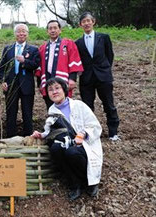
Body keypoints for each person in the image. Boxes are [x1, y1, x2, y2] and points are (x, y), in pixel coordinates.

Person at [32, 77, 103, 201]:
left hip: (85, 144)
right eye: (50, 90)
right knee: (55, 149)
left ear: (64, 90)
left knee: (72, 152)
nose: (54, 92)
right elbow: (50, 131)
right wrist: (41, 135)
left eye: (57, 88)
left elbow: (95, 125)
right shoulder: (52, 111)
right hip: (67, 142)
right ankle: (74, 183)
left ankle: (89, 182)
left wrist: (83, 134)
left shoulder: (79, 105)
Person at [75, 12, 120, 141]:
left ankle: (113, 132)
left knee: (108, 104)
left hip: (103, 77)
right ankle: (90, 133)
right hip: (86, 78)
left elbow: (109, 55)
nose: (86, 23)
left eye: (88, 20)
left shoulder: (104, 37)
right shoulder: (78, 43)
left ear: (93, 22)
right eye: (84, 21)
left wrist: (104, 69)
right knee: (87, 106)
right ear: (80, 25)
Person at [0, 23, 40, 138]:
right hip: (11, 85)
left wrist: (24, 62)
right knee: (11, 112)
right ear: (15, 33)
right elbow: (2, 67)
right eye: (18, 31)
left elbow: (36, 65)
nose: (21, 33)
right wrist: (3, 81)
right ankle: (10, 137)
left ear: (27, 34)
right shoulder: (8, 49)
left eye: (23, 31)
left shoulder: (33, 50)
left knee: (27, 112)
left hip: (26, 85)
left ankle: (28, 137)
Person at [35, 20, 83, 109]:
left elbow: (74, 61)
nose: (53, 30)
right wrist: (39, 83)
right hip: (47, 80)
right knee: (50, 105)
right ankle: (53, 122)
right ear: (47, 31)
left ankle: (65, 122)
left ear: (60, 30)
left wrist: (72, 79)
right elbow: (39, 67)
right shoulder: (42, 47)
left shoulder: (68, 44)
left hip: (63, 80)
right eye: (50, 28)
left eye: (55, 28)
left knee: (65, 105)